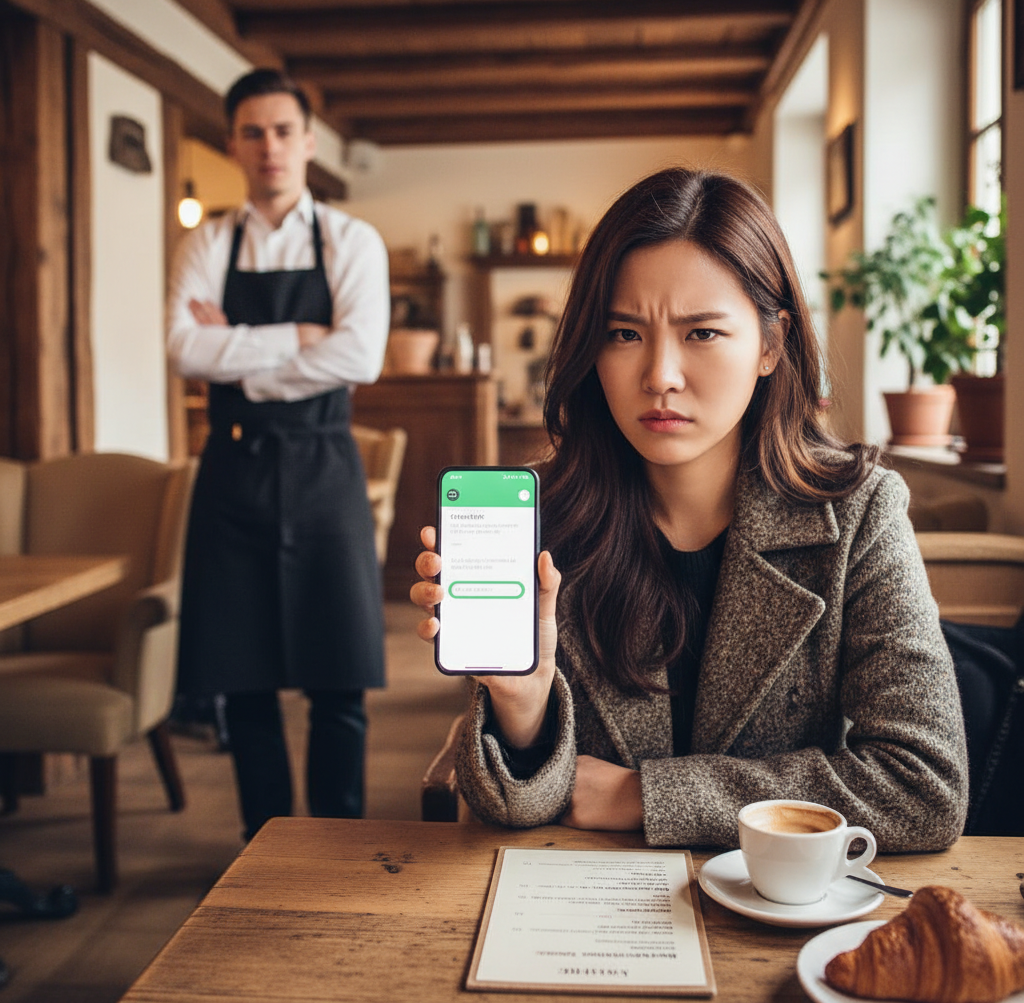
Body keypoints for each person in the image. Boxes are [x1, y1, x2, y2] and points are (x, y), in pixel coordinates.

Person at [411, 167, 968, 852]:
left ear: (769, 344)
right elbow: (513, 804)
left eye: (701, 333)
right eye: (623, 334)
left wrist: (645, 796)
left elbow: (925, 788)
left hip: (784, 919)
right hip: (584, 920)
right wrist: (521, 704)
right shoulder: (545, 517)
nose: (660, 376)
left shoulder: (859, 515)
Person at [167, 69, 389, 841]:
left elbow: (360, 357)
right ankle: (260, 849)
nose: (269, 147)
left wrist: (239, 358)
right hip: (230, 477)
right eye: (253, 132)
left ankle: (337, 849)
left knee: (340, 683)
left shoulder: (353, 241)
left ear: (309, 141)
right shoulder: (206, 240)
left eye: (283, 131)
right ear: (232, 143)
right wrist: (298, 340)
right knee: (243, 682)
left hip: (326, 468)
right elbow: (183, 349)